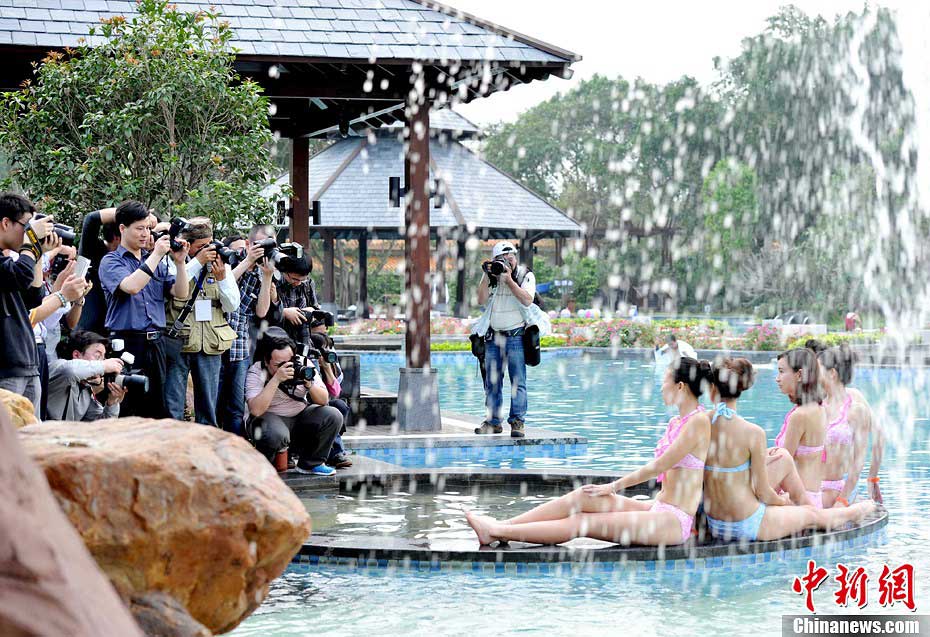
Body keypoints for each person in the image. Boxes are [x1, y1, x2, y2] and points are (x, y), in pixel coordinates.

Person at [465, 358, 713, 546]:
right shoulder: (676, 423)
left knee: (581, 522)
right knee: (584, 496)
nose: (661, 387)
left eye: (665, 380)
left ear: (680, 387)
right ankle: (502, 526)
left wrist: (612, 487)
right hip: (657, 509)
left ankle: (499, 532)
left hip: (673, 521)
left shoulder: (698, 422)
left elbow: (657, 467)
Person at [701, 358, 874, 542]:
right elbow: (763, 493)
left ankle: (830, 507)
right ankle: (857, 511)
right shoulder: (753, 432)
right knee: (812, 517)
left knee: (782, 458)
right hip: (747, 525)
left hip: (715, 524)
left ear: (712, 390)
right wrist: (782, 501)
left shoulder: (702, 423)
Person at [99, 200, 189, 418]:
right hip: (127, 342)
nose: (145, 234)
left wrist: (179, 263)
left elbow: (181, 293)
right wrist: (157, 255)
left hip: (156, 341)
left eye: (148, 228)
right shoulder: (111, 261)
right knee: (127, 405)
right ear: (122, 228)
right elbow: (131, 286)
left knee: (156, 406)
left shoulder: (152, 260)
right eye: (139, 228)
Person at [163, 218, 239, 426]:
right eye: (201, 247)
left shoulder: (221, 262)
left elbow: (232, 305)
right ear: (187, 244)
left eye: (210, 244)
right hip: (179, 341)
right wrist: (197, 262)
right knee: (173, 404)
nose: (208, 251)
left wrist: (222, 278)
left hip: (211, 342)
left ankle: (205, 452)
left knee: (208, 405)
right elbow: (170, 289)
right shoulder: (172, 260)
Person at [245, 328, 342, 476]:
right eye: (280, 364)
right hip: (269, 418)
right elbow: (256, 410)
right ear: (266, 360)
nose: (287, 367)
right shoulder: (257, 371)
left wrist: (309, 385)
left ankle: (310, 464)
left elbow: (324, 400)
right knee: (277, 433)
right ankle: (265, 464)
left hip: (299, 417)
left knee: (333, 415)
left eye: (290, 361)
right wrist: (276, 379)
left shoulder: (303, 364)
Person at [217, 224, 276, 434]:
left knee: (235, 407)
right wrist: (248, 260)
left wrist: (267, 276)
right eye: (260, 244)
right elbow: (221, 285)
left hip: (240, 346)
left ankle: (235, 454)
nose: (263, 250)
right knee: (212, 403)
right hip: (214, 343)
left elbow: (261, 312)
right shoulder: (229, 258)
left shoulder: (264, 270)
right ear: (249, 243)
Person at [0, 193, 56, 416]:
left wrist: (38, 252)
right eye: (26, 226)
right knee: (8, 438)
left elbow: (32, 297)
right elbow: (20, 275)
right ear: (5, 223)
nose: (28, 233)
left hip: (26, 361)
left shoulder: (6, 262)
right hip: (6, 366)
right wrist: (30, 242)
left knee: (32, 436)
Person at [473, 241, 536, 438]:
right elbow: (480, 300)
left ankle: (517, 422)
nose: (509, 261)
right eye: (503, 258)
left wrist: (509, 280)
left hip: (516, 336)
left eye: (512, 257)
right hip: (493, 337)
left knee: (518, 381)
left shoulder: (525, 275)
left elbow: (527, 299)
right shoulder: (492, 276)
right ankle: (493, 422)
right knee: (492, 383)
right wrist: (486, 274)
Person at [816, 344, 884, 507]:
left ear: (832, 373)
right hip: (814, 486)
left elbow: (858, 461)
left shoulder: (856, 409)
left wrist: (843, 499)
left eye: (816, 370)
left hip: (838, 488)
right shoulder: (817, 406)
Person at [766, 348, 826, 508]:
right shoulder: (818, 408)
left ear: (799, 375)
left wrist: (764, 497)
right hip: (812, 496)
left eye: (781, 372)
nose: (777, 379)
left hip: (797, 501)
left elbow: (783, 464)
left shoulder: (799, 416)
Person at [46, 330, 127, 421]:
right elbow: (70, 370)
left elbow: (103, 425)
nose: (101, 361)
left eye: (103, 358)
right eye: (97, 356)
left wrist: (112, 403)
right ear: (76, 355)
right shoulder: (57, 367)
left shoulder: (86, 389)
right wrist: (104, 366)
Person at [310, 329, 352, 468]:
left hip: (326, 404)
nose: (327, 352)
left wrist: (327, 370)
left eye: (328, 348)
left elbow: (336, 392)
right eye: (323, 349)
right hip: (311, 407)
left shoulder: (329, 366)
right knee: (331, 411)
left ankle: (333, 451)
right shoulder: (308, 365)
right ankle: (336, 453)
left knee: (340, 405)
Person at [77, 206, 120, 334]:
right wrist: (133, 214)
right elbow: (91, 219)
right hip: (89, 331)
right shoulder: (93, 250)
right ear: (117, 237)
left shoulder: (130, 258)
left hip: (113, 329)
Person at [274, 253, 320, 346]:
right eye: (294, 279)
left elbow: (315, 308)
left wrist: (311, 311)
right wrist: (284, 312)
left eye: (302, 280)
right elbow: (262, 313)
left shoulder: (308, 283)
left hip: (303, 339)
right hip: (278, 342)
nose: (298, 283)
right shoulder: (273, 282)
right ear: (284, 271)